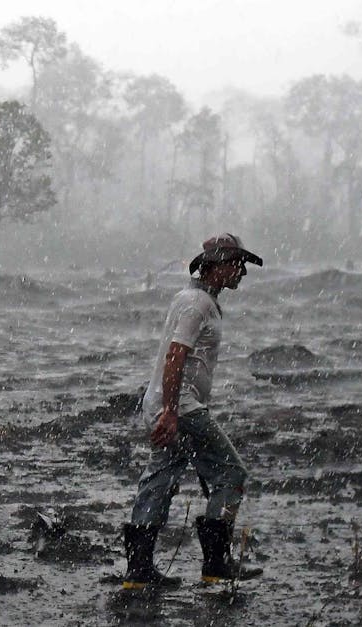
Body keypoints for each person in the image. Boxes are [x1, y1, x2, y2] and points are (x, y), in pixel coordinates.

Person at [121, 233, 265, 590]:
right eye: (238, 265)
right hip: (181, 407)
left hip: (169, 404)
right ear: (217, 266)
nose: (242, 273)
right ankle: (216, 563)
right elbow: (175, 356)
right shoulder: (196, 304)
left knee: (161, 478)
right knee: (231, 473)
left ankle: (139, 571)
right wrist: (171, 412)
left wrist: (166, 409)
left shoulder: (195, 300)